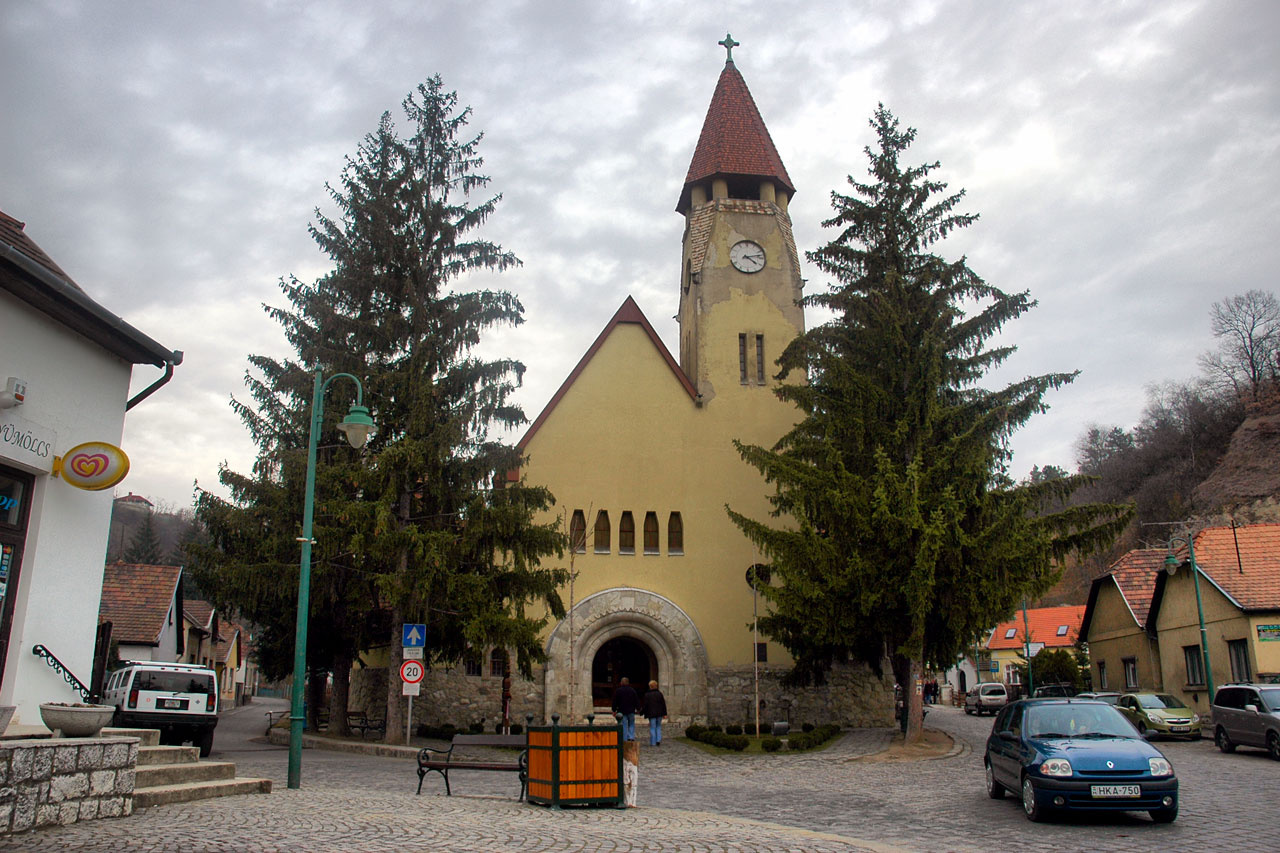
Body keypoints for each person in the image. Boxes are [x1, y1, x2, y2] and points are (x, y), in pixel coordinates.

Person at [612, 677, 640, 741]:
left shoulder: (618, 691)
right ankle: (631, 737)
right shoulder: (632, 690)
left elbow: (615, 701)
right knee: (631, 724)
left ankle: (624, 738)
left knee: (623, 725)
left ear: (621, 683)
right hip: (631, 710)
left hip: (622, 711)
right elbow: (636, 700)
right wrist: (638, 708)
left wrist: (614, 710)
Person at [642, 679, 668, 746]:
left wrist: (643, 712)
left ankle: (653, 742)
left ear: (650, 686)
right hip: (659, 713)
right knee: (658, 726)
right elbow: (663, 704)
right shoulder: (659, 694)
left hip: (651, 713)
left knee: (652, 727)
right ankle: (658, 740)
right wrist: (664, 713)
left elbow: (645, 705)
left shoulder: (647, 695)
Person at [622, 740, 639, 807]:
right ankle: (628, 801)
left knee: (633, 783)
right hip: (628, 762)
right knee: (626, 781)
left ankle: (632, 801)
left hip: (632, 763)